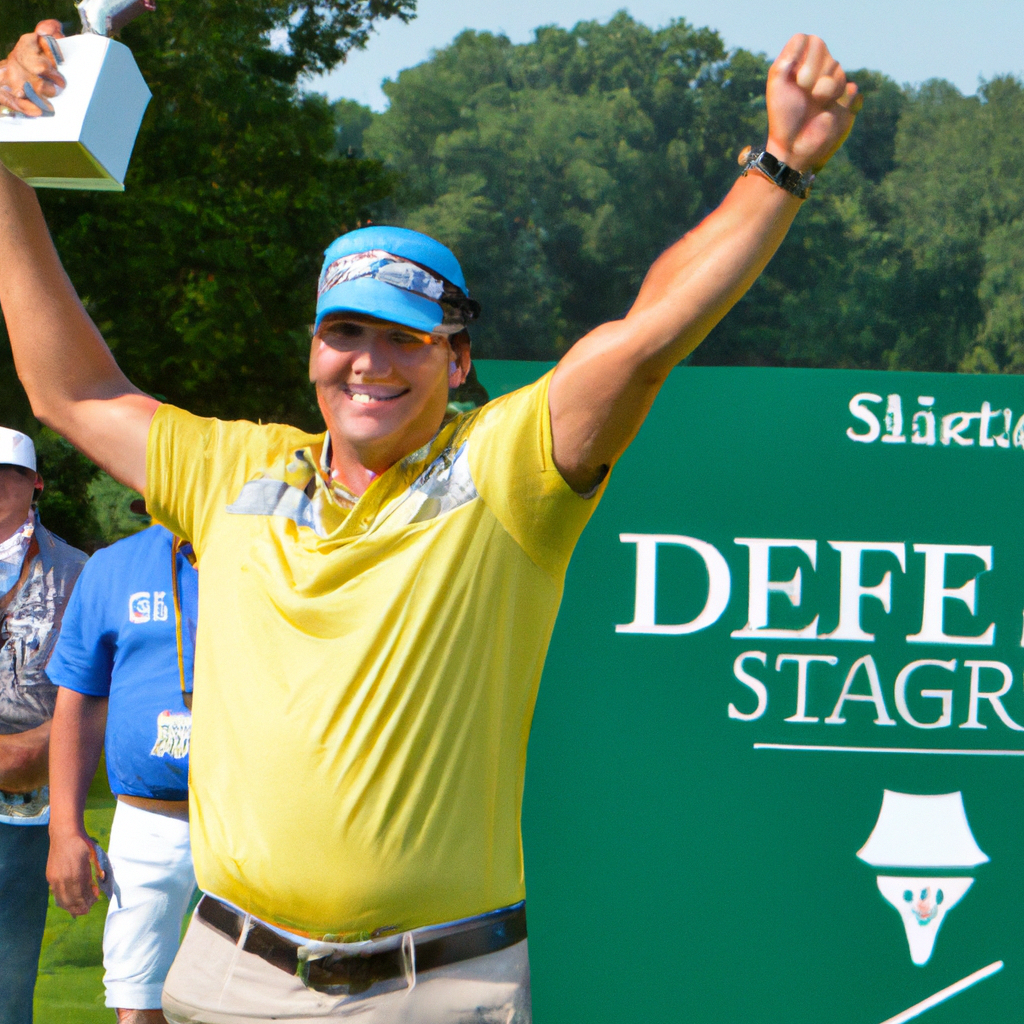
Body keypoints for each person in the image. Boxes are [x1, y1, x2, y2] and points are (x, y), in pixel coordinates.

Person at [0, 18, 861, 1023]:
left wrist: (778, 167)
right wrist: (10, 167)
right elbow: (71, 391)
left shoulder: (502, 470)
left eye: (407, 340)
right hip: (228, 975)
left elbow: (642, 338)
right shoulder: (233, 468)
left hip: (436, 991)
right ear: (313, 350)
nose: (371, 362)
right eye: (346, 332)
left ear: (456, 361)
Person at [45, 523, 198, 1024]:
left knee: (265, 995)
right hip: (149, 818)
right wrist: (65, 829)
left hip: (260, 820)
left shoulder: (285, 547)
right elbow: (80, 699)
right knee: (137, 1002)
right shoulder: (111, 567)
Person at [0, 426, 87, 1024]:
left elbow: (90, 693)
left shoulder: (77, 572)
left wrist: (38, 749)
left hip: (24, 806)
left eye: (5, 475)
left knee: (8, 973)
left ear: (34, 483)